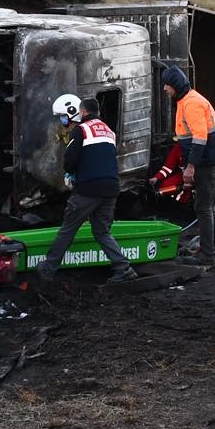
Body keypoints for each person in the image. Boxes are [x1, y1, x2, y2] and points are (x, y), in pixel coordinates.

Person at [36, 96, 139, 286]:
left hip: (89, 189)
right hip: (111, 188)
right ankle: (124, 268)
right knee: (102, 232)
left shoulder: (81, 130)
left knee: (68, 229)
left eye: (63, 117)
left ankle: (48, 269)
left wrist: (70, 173)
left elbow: (70, 160)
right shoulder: (109, 131)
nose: (63, 121)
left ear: (81, 112)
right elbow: (101, 157)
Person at [161, 65, 215, 267]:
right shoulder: (186, 101)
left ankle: (208, 256)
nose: (164, 88)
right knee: (208, 207)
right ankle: (212, 252)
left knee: (204, 208)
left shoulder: (191, 104)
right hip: (208, 161)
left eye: (167, 84)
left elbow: (200, 138)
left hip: (208, 163)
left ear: (175, 85)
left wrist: (191, 167)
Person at [148, 138, 193, 205]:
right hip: (183, 176)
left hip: (199, 176)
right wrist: (156, 177)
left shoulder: (198, 148)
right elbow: (168, 167)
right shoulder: (178, 147)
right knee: (165, 186)